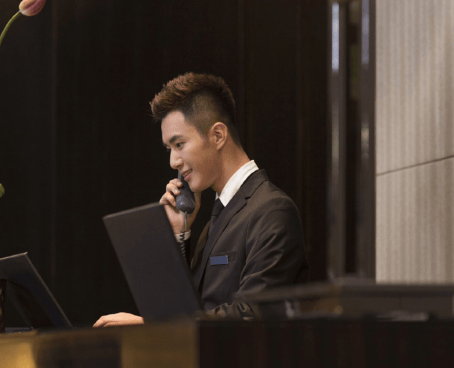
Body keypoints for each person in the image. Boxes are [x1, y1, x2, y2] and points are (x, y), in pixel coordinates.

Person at [94, 73, 308, 327]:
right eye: (169, 149)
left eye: (179, 144)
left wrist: (150, 327)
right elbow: (183, 310)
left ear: (218, 135)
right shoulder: (217, 218)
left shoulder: (272, 210)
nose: (173, 161)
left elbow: (251, 315)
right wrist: (179, 233)